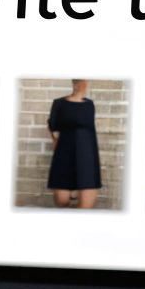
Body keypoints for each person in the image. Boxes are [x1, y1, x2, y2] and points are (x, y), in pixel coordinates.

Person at [47, 79, 102, 209]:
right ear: (75, 83)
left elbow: (90, 130)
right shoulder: (59, 103)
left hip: (87, 157)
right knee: (62, 201)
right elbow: (52, 128)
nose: (85, 84)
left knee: (85, 207)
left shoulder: (90, 104)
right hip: (64, 155)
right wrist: (55, 144)